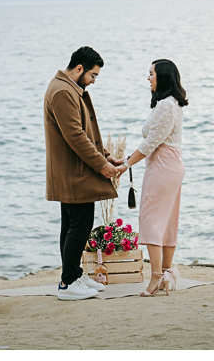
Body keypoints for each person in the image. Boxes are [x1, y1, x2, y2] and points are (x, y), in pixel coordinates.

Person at [44, 46, 124, 300]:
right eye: (93, 75)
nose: (93, 81)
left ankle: (74, 275)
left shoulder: (68, 88)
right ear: (79, 68)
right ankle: (68, 283)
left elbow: (84, 133)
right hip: (73, 173)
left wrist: (107, 155)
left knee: (72, 225)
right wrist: (102, 165)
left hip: (73, 171)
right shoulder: (62, 92)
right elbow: (76, 136)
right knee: (78, 225)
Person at [118, 59, 187, 297]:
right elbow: (155, 141)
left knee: (150, 219)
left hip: (163, 165)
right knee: (167, 220)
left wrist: (126, 164)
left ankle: (157, 275)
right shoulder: (171, 104)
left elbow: (151, 142)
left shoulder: (167, 105)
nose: (148, 78)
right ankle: (166, 271)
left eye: (151, 74)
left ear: (163, 77)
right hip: (170, 164)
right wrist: (127, 159)